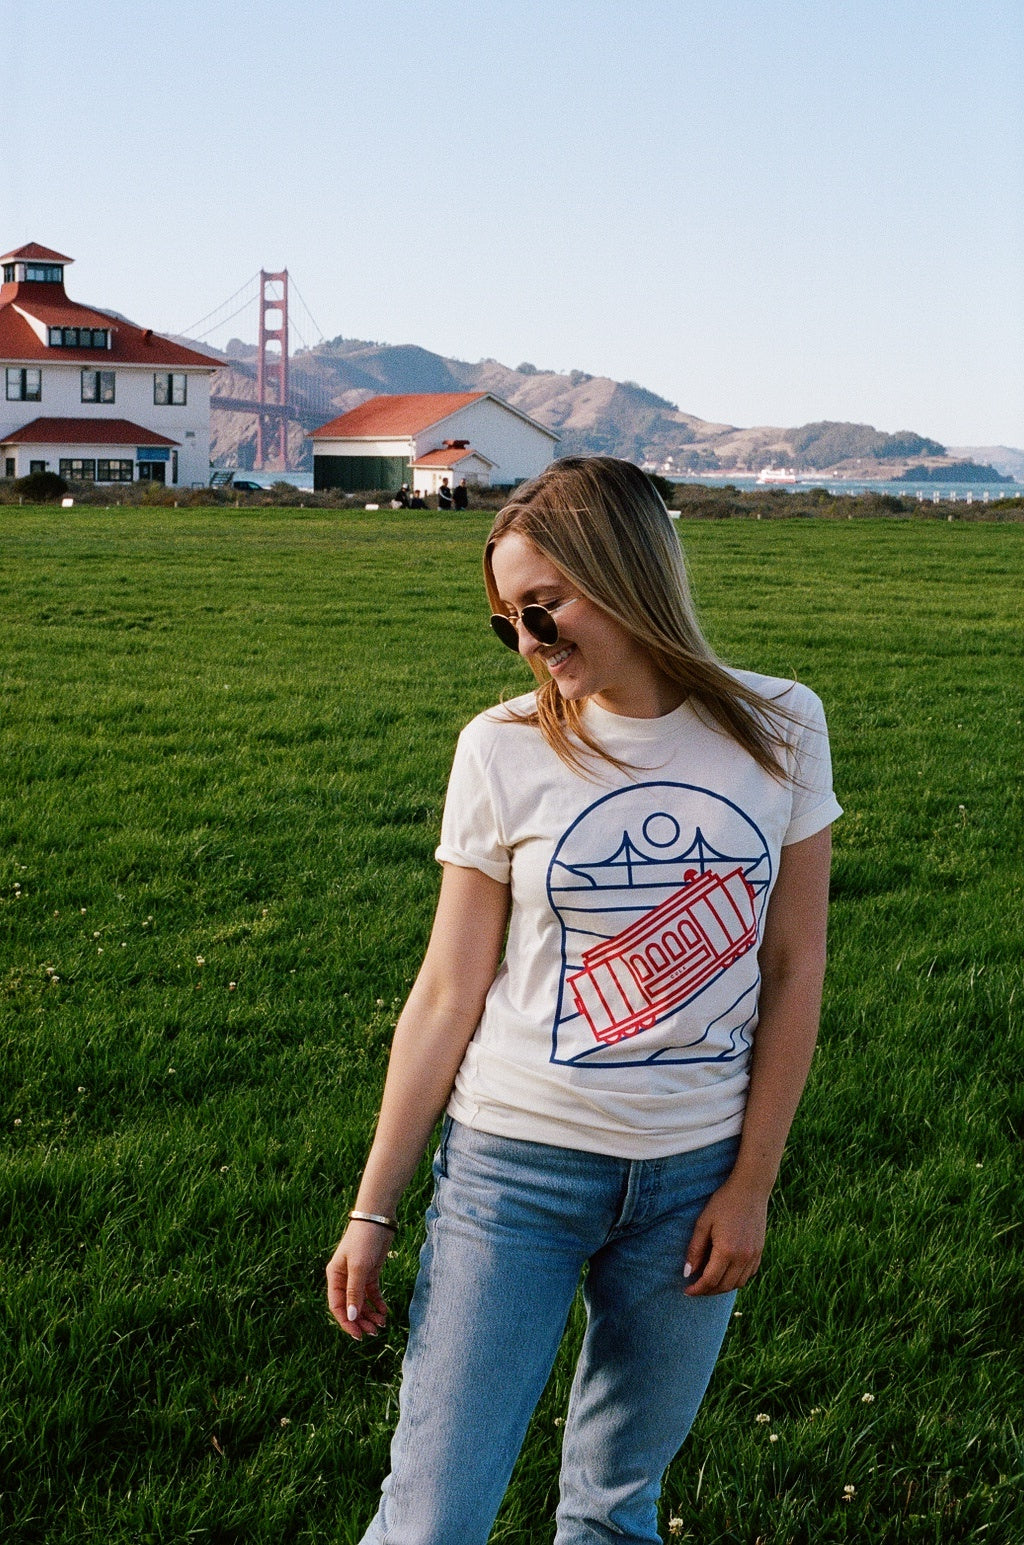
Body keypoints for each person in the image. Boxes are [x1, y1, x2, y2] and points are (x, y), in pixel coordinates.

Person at [327, 455, 841, 1544]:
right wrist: (373, 1210)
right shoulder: (501, 746)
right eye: (508, 622)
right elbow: (444, 990)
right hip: (514, 1172)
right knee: (433, 1517)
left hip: (693, 1178)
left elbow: (793, 970)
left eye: (543, 610)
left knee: (614, 1514)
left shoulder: (780, 726)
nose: (528, 643)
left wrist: (750, 1183)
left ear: (624, 572)